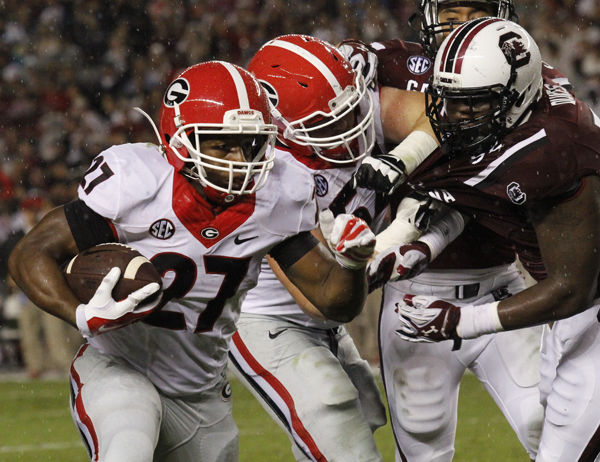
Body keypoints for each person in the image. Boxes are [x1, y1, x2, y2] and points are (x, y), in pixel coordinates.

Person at [7, 61, 378, 462]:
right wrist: (78, 313)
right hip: (117, 366)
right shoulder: (138, 185)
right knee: (126, 449)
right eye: (223, 144)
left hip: (202, 390)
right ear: (181, 140)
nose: (240, 158)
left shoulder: (276, 198)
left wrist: (353, 264)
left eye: (251, 143)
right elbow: (31, 253)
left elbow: (333, 300)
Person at [340, 1, 578, 460]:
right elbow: (332, 67)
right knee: (423, 445)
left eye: (473, 8)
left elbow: (482, 186)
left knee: (550, 427)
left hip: (501, 283)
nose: (460, 19)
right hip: (415, 294)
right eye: (449, 8)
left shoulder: (526, 78)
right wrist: (348, 61)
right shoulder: (396, 62)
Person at [392, 18, 600, 462]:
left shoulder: (551, 150)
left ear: (516, 94)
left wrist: (462, 323)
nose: (454, 115)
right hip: (576, 316)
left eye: (474, 104)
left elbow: (573, 288)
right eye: (449, 101)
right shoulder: (531, 100)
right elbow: (482, 201)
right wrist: (424, 240)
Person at [228, 33, 443, 461]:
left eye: (352, 111)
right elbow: (324, 300)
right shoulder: (265, 177)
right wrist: (401, 231)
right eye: (330, 124)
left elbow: (439, 118)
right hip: (269, 318)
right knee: (336, 423)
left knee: (365, 416)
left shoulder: (363, 109)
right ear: (279, 129)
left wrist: (403, 158)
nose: (351, 129)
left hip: (328, 315)